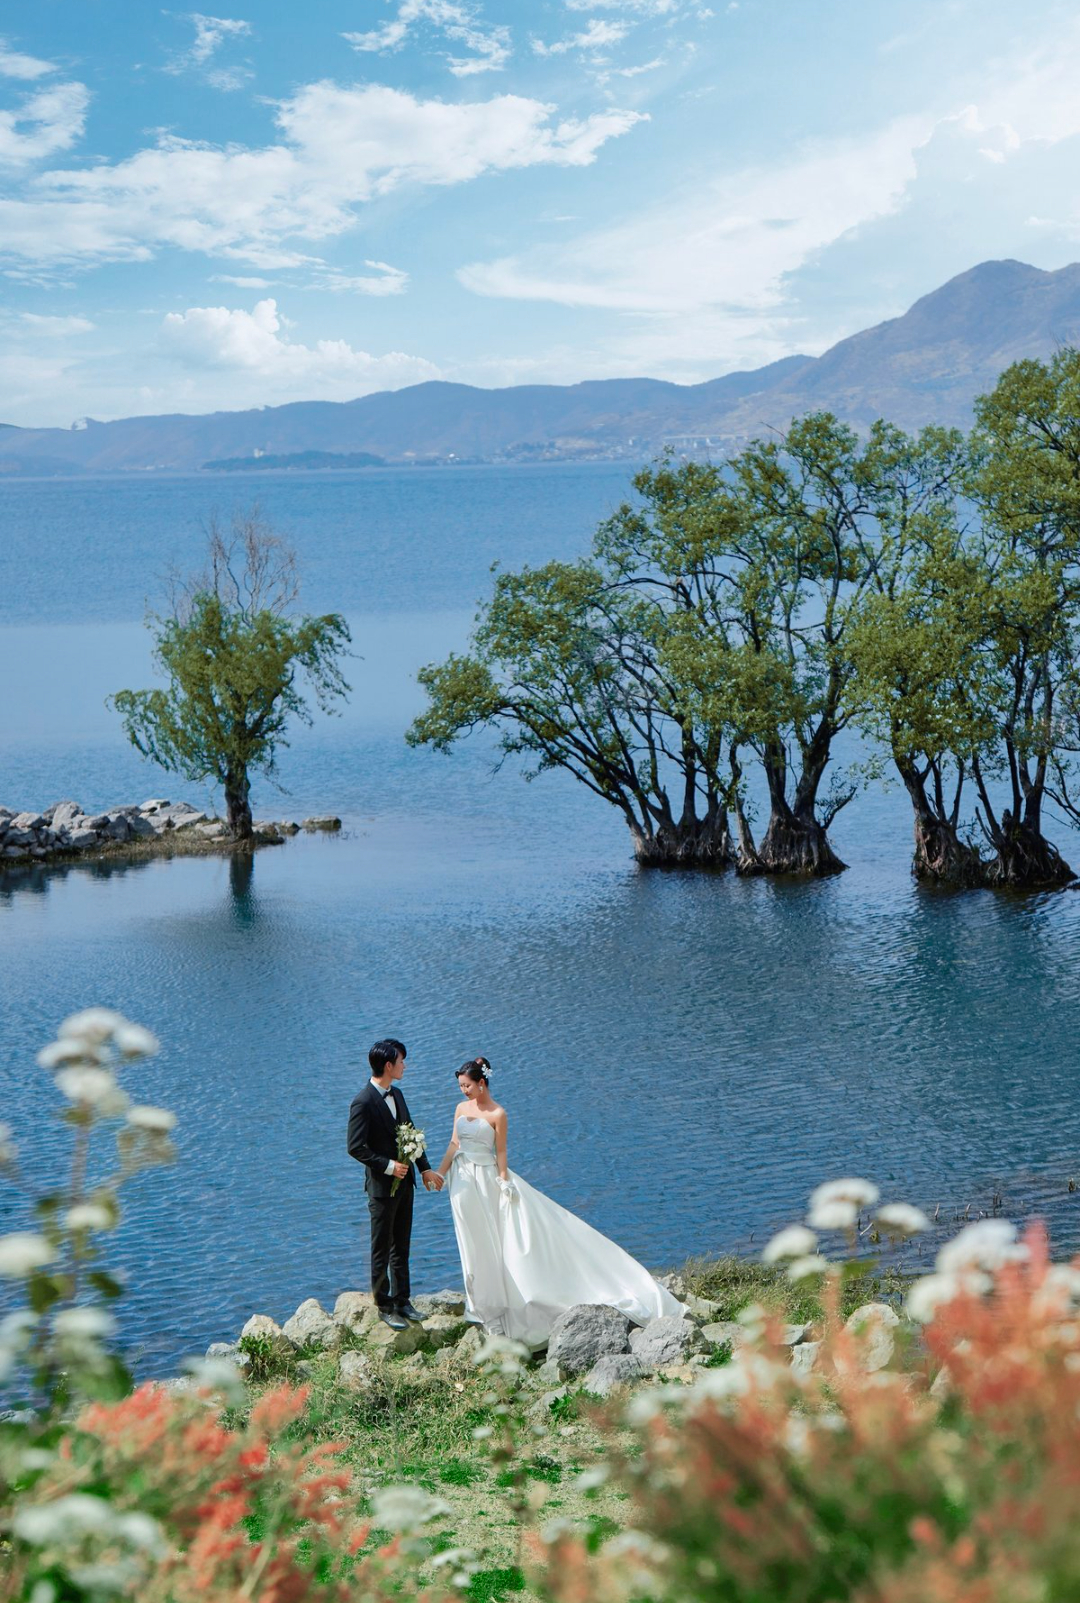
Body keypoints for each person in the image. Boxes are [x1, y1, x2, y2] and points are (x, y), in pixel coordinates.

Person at [433, 1056, 683, 1348]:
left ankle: (512, 1303)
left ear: (482, 1083)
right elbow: (454, 1143)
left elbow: (501, 1153)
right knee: (473, 1240)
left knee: (504, 1239)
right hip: (464, 1180)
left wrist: (503, 1182)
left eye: (467, 1086)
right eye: (461, 1086)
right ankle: (482, 1303)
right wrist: (441, 1172)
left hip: (488, 1181)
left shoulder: (498, 1113)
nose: (463, 1091)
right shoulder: (461, 1108)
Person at [347, 1037, 443, 1331]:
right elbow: (355, 1147)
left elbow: (411, 1135)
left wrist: (425, 1169)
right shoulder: (363, 1102)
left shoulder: (397, 1095)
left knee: (401, 1245)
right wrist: (389, 1166)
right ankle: (384, 1304)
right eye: (401, 1061)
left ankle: (403, 1300)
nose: (405, 1065)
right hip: (381, 1188)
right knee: (381, 1247)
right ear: (388, 1065)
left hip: (405, 1186)